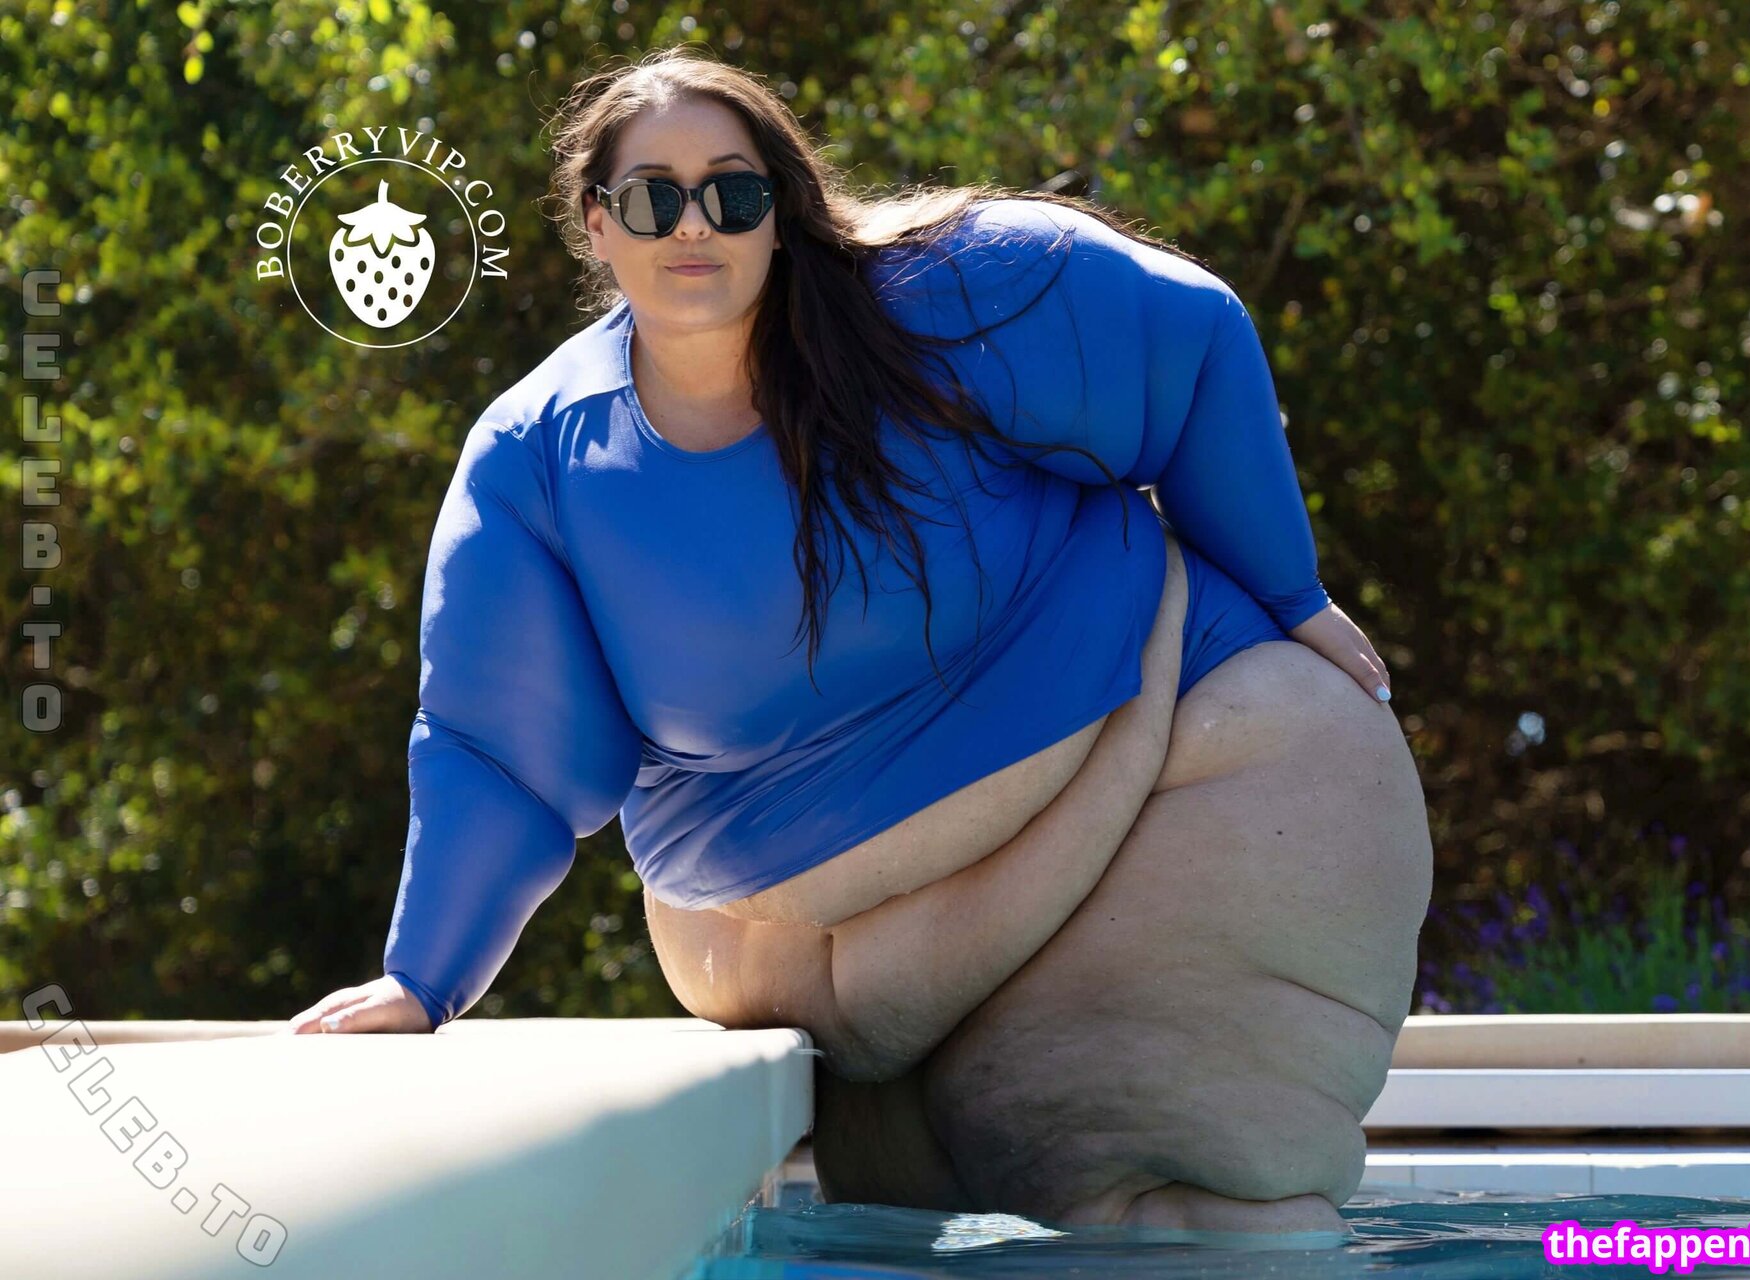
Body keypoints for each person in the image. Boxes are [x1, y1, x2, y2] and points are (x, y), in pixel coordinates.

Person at [287, 47, 1433, 1235]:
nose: (696, 224)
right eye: (654, 198)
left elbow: (1187, 340)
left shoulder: (944, 294)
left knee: (1177, 1216)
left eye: (734, 193)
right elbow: (499, 747)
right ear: (596, 224)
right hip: (810, 943)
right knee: (913, 1216)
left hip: (1162, 771)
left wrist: (1294, 592)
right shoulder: (540, 456)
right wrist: (424, 978)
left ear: (780, 210)